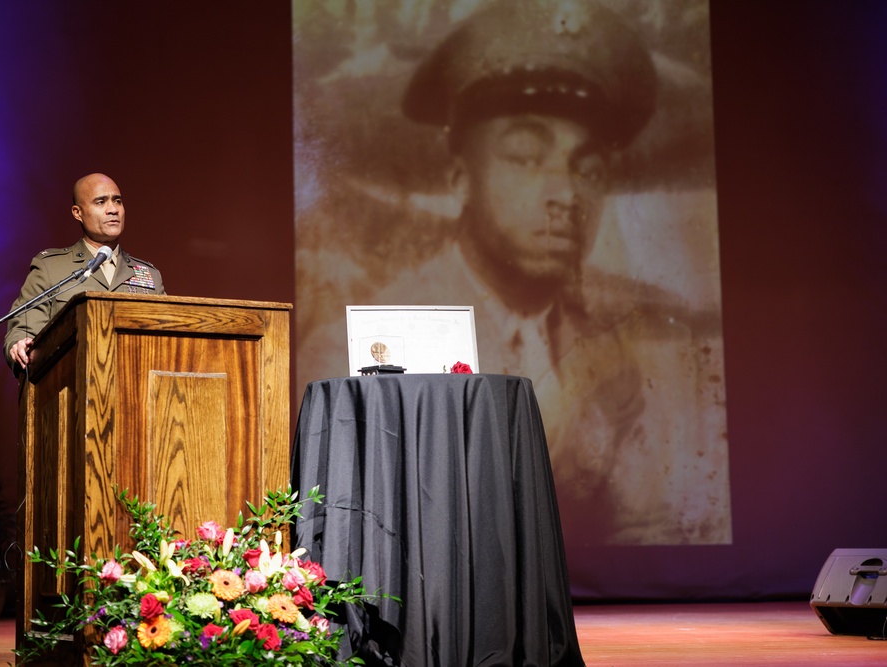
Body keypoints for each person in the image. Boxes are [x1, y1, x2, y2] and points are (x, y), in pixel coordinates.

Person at [295, 0, 729, 546]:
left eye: (588, 168)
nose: (566, 194)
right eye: (525, 156)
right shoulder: (356, 346)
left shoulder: (641, 343)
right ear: (459, 178)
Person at [4, 173, 165, 372]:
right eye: (101, 202)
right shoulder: (50, 268)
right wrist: (19, 345)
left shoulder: (149, 275)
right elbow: (22, 330)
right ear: (77, 212)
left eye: (118, 201)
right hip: (72, 386)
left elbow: (169, 339)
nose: (113, 210)